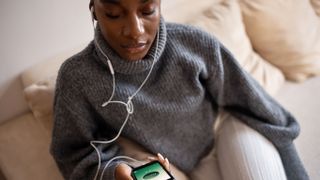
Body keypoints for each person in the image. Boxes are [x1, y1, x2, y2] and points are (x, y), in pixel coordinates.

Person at [50, 0, 309, 179]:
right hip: (173, 163)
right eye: (115, 15)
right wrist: (113, 172)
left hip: (226, 129)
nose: (135, 31)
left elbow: (253, 101)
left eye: (147, 10)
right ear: (94, 9)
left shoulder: (194, 43)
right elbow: (73, 153)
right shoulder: (77, 78)